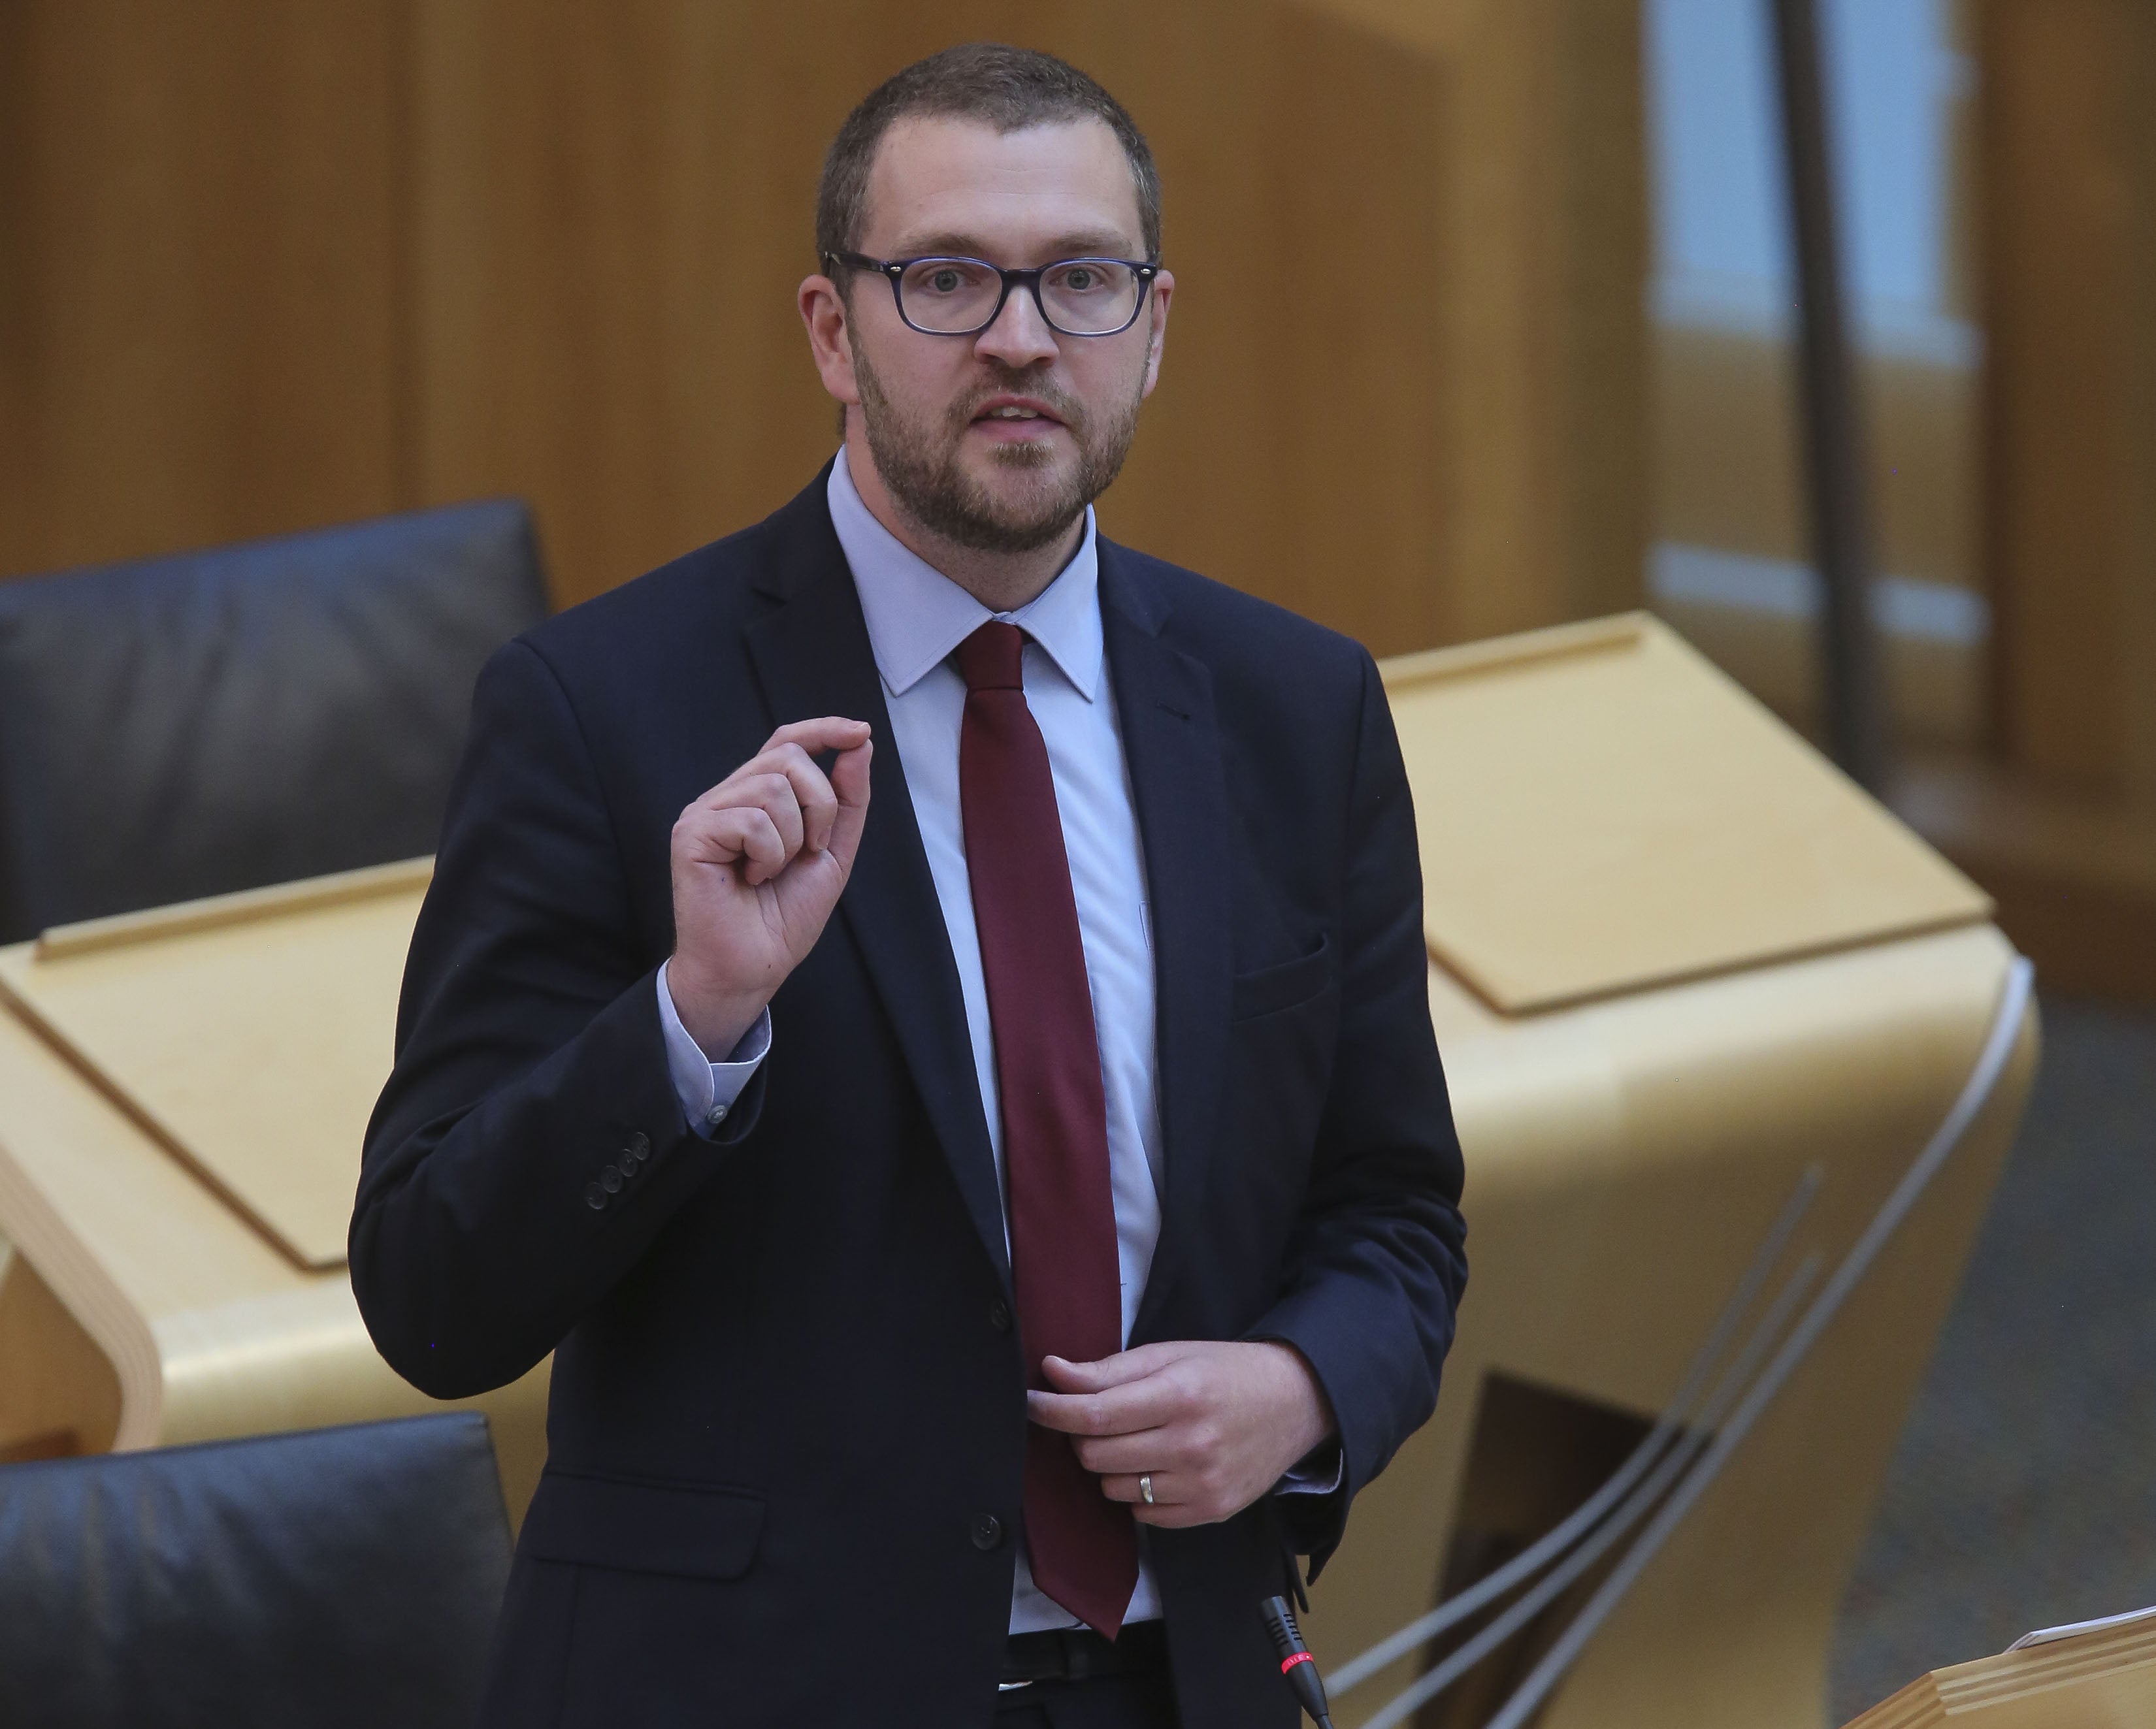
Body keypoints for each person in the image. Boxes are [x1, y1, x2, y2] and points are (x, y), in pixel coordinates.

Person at [351, 42, 1466, 1729]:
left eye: (1077, 281)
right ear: (829, 328)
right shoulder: (604, 711)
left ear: (1152, 331)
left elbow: (1393, 1216)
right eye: (946, 279)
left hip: (1181, 1683)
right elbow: (431, 1289)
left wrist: (1300, 1385)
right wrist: (691, 1017)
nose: (1019, 337)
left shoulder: (1292, 715)